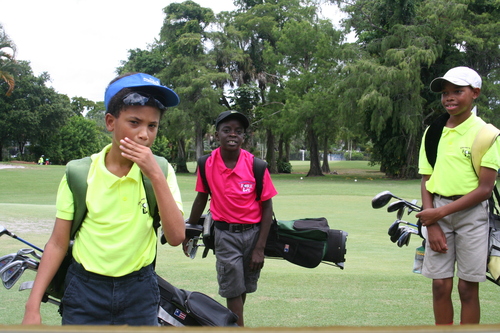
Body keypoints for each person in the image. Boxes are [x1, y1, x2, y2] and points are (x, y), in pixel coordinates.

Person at [22, 73, 185, 326]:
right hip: (85, 290)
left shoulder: (161, 170)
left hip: (139, 291)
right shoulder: (80, 173)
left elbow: (176, 237)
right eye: (134, 122)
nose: (144, 134)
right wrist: (32, 306)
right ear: (110, 121)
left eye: (152, 126)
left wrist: (154, 175)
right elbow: (57, 243)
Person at [416, 66, 500, 325]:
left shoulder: (488, 134)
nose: (449, 98)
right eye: (444, 93)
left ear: (475, 93)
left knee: (467, 288)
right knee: (440, 285)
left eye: (457, 91)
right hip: (437, 211)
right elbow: (426, 179)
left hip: (472, 215)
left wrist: (436, 215)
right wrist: (433, 223)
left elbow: (484, 190)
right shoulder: (433, 132)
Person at [185, 110, 277, 327]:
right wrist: (189, 228)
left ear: (244, 137)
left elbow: (267, 207)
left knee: (242, 286)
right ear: (217, 135)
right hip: (225, 235)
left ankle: (233, 324)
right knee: (232, 289)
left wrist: (259, 248)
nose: (232, 135)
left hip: (254, 235)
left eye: (238, 131)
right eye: (226, 130)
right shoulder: (205, 163)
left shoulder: (257, 166)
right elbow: (201, 197)